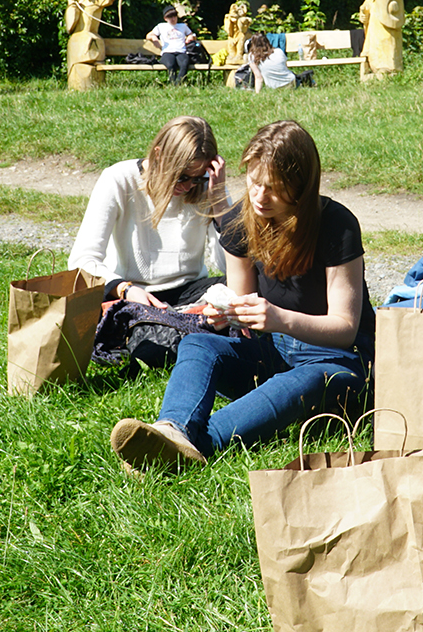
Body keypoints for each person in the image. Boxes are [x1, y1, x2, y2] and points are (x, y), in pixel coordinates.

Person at [110, 120, 373, 472]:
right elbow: (241, 303)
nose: (260, 196)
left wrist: (279, 318)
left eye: (275, 188)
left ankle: (189, 447)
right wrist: (227, 315)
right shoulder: (239, 220)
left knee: (302, 380)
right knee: (198, 344)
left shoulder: (336, 224)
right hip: (273, 348)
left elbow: (345, 328)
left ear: (302, 186)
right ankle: (171, 428)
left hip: (338, 361)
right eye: (253, 181)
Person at [67, 116, 229, 307]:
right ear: (158, 155)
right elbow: (82, 261)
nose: (187, 187)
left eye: (196, 179)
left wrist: (220, 205)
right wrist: (124, 289)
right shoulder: (119, 179)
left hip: (189, 291)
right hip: (129, 292)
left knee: (251, 287)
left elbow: (230, 267)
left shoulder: (210, 185)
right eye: (181, 177)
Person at [148, 6, 199, 86]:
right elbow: (149, 35)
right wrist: (154, 38)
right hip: (167, 52)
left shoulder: (183, 26)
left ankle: (178, 84)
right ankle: (173, 84)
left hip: (181, 51)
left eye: (175, 16)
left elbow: (191, 34)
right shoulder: (161, 26)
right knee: (170, 65)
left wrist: (190, 37)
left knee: (184, 63)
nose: (173, 19)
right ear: (165, 18)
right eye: (170, 17)